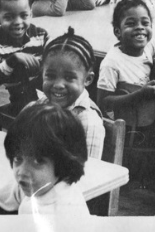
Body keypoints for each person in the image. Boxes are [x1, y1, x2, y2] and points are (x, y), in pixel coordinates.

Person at [0, 103, 90, 218]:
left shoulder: (65, 214)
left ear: (64, 164)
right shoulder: (35, 185)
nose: (22, 171)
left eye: (37, 161)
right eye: (18, 159)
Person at [97, 0, 155, 119]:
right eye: (131, 24)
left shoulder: (148, 46)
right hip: (127, 123)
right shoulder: (111, 63)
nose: (140, 27)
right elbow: (103, 103)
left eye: (145, 23)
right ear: (118, 32)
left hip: (149, 114)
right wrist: (140, 95)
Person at [33, 27, 105, 159]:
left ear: (88, 79)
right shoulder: (41, 104)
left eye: (69, 77)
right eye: (51, 76)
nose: (58, 85)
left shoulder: (88, 122)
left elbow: (87, 170)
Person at [0, 0, 49, 115]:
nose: (18, 22)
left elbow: (56, 58)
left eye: (24, 15)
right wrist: (12, 60)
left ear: (31, 14)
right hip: (17, 104)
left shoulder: (41, 35)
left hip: (46, 95)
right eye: (9, 17)